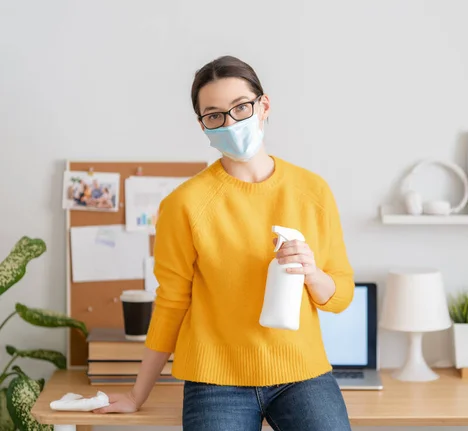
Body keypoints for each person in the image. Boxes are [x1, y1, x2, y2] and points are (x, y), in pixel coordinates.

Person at [93, 55, 355, 431]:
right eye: (214, 115)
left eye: (240, 108)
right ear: (203, 126)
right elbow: (171, 304)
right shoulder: (185, 204)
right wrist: (137, 394)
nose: (230, 123)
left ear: (263, 107)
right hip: (215, 380)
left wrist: (312, 274)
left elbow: (341, 294)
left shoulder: (312, 191)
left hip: (302, 373)